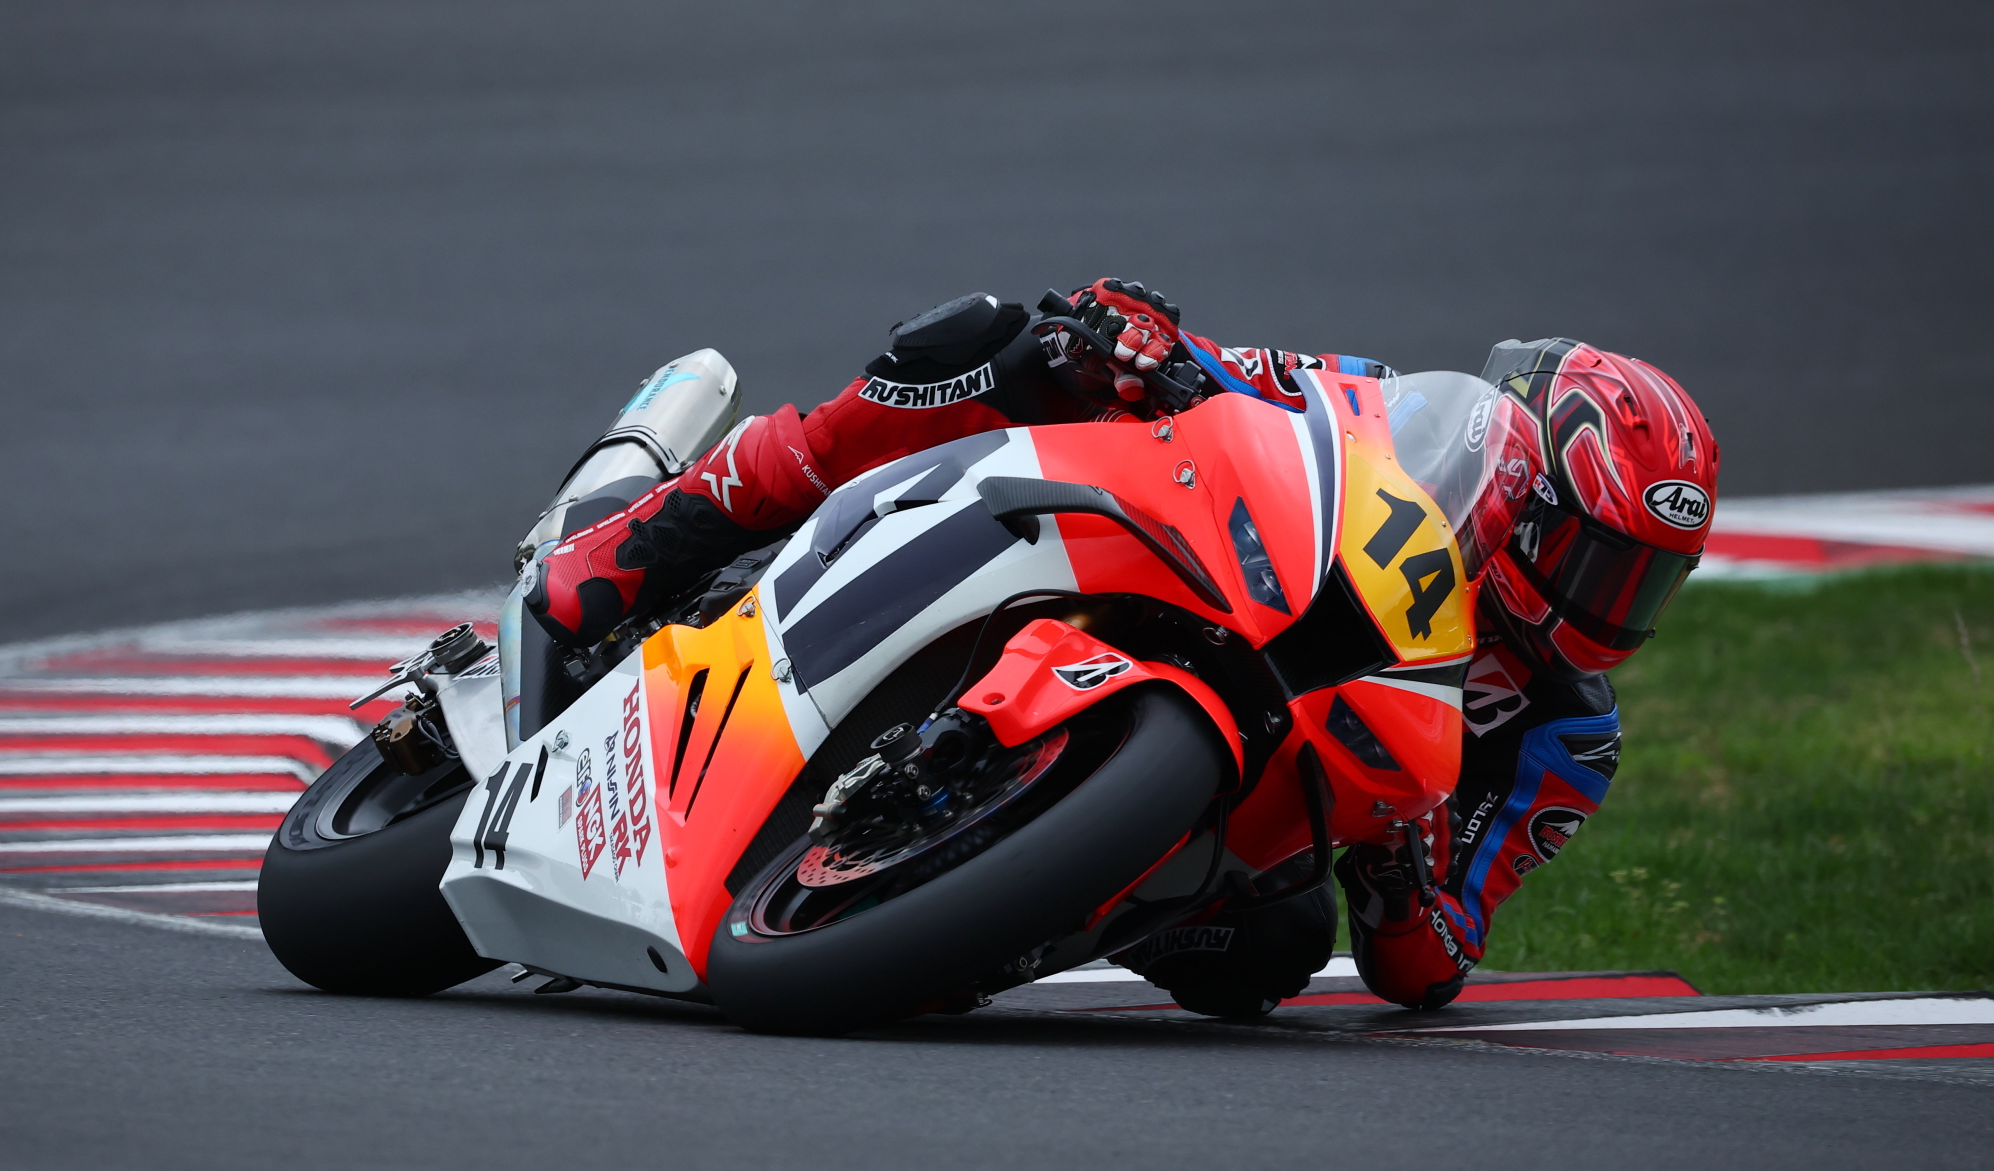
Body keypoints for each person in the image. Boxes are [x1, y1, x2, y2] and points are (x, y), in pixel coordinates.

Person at [526, 280, 1720, 1014]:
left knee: (1272, 949)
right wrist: (1141, 340)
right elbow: (1249, 381)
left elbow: (1434, 964)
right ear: (1523, 493)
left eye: (1643, 583)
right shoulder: (1388, 413)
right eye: (1598, 562)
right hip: (1194, 570)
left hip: (1271, 782)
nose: (1608, 605)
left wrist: (1403, 879)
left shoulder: (1568, 737)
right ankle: (649, 537)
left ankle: (978, 908)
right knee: (991, 343)